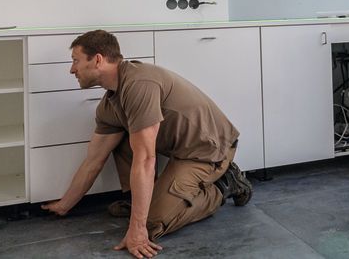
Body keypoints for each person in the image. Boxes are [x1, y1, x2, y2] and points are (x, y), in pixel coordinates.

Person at [41, 29, 252, 258]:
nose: (72, 69)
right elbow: (94, 159)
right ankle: (142, 204)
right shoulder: (109, 105)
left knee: (154, 222)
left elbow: (145, 159)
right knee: (119, 140)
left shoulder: (139, 84)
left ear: (98, 60)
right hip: (179, 150)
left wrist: (137, 230)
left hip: (208, 151)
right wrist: (64, 205)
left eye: (76, 61)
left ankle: (227, 184)